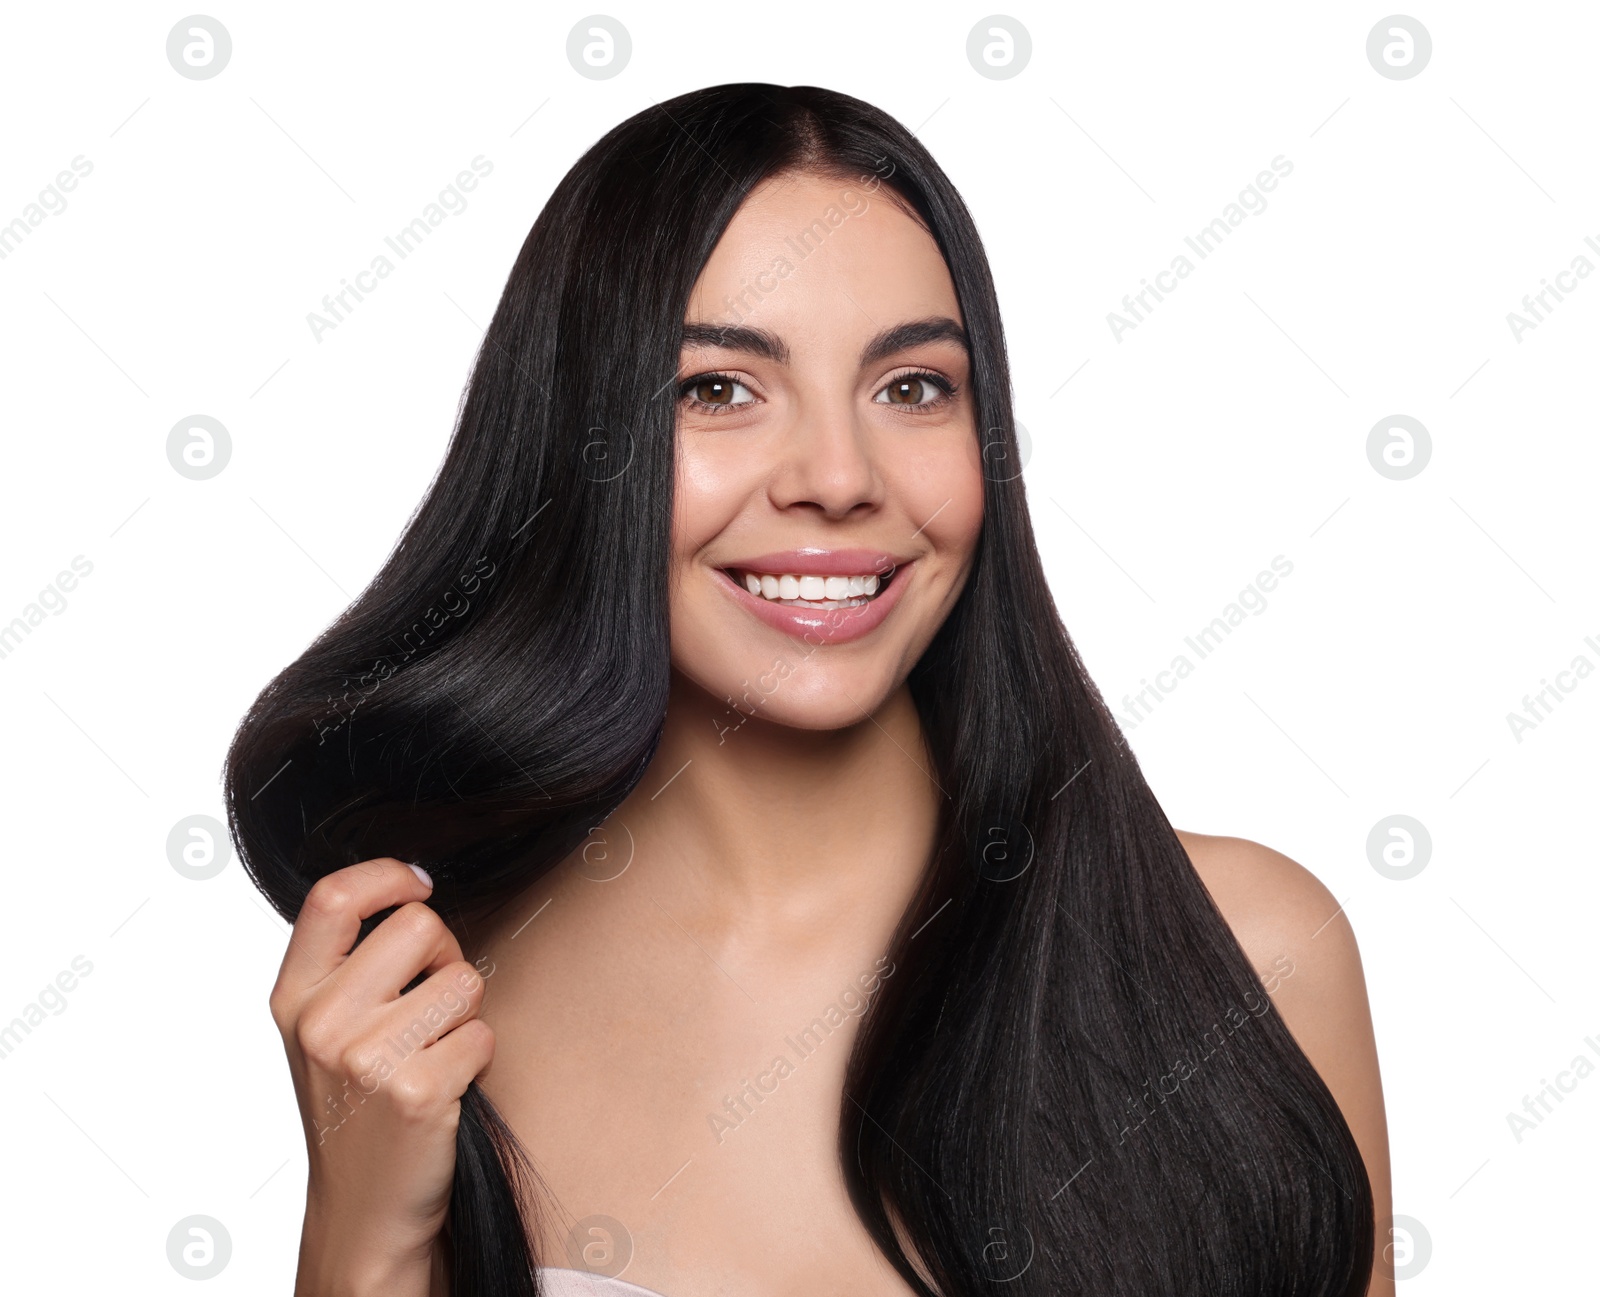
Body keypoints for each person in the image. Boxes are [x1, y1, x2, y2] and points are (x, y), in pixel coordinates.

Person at [228, 83, 1391, 1296]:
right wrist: (357, 1250)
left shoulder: (1248, 949)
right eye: (717, 389)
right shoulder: (434, 1003)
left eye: (911, 388)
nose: (838, 477)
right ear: (580, 450)